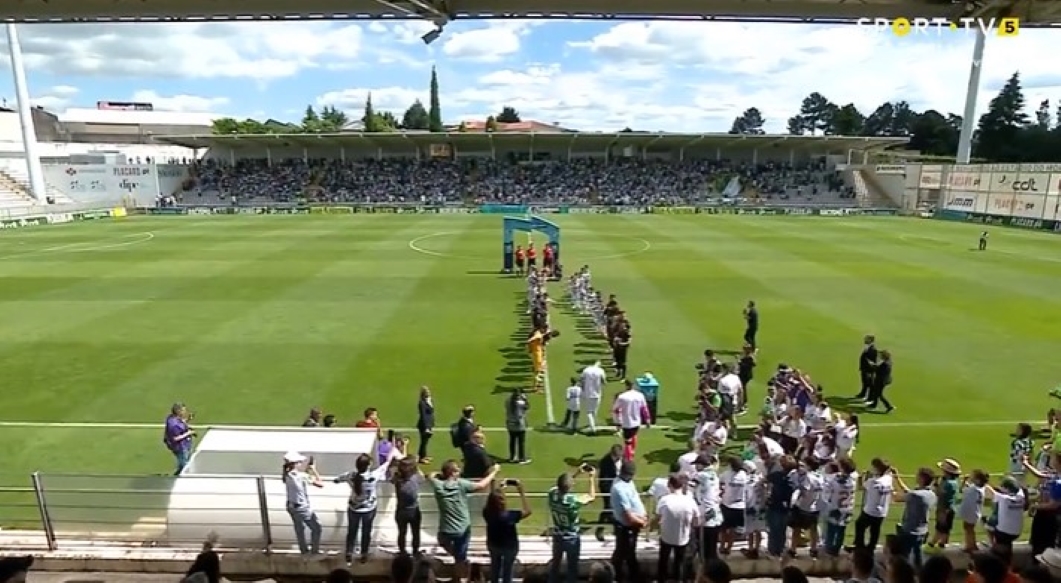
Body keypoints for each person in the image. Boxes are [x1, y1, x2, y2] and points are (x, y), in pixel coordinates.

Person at [430, 460, 499, 582]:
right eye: (457, 470)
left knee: (443, 542)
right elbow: (482, 485)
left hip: (446, 529)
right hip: (463, 528)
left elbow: (430, 476)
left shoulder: (437, 485)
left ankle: (457, 575)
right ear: (453, 472)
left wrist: (438, 475)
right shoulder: (461, 484)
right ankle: (459, 576)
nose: (460, 472)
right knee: (460, 557)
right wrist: (494, 472)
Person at [336, 447, 399, 564]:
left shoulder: (351, 476)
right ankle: (364, 554)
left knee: (352, 531)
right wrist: (391, 454)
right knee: (366, 532)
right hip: (368, 509)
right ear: (368, 465)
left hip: (354, 508)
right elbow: (385, 465)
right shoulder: (373, 476)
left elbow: (337, 479)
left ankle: (349, 553)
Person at [548, 465, 597, 583]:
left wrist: (575, 474)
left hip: (558, 535)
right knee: (572, 567)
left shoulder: (552, 494)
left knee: (555, 564)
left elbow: (562, 486)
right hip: (571, 537)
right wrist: (591, 478)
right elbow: (591, 496)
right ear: (570, 487)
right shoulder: (572, 501)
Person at [484, 480, 532, 583]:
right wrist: (521, 492)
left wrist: (500, 488)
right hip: (509, 547)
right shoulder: (510, 516)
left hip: (493, 545)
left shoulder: (487, 513)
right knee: (507, 572)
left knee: (495, 570)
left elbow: (494, 500)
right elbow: (528, 511)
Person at [654, 473, 698, 583]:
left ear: (669, 485)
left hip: (666, 537)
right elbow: (696, 520)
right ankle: (678, 580)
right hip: (683, 537)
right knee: (680, 562)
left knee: (663, 560)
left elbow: (657, 518)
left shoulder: (664, 500)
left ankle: (662, 580)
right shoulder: (689, 500)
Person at [891, 467, 937, 568]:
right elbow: (908, 492)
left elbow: (896, 498)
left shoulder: (916, 495)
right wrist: (897, 478)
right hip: (922, 531)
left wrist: (885, 486)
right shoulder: (932, 494)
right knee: (918, 557)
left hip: (909, 531)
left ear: (922, 479)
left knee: (903, 557)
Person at [610, 460, 647, 582]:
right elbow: (628, 515)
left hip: (631, 525)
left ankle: (626, 576)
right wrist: (642, 522)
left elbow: (634, 499)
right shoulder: (620, 489)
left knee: (625, 553)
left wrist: (642, 515)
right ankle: (621, 577)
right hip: (626, 527)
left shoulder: (627, 481)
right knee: (623, 554)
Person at [282, 451, 323, 555]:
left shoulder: (287, 475)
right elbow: (320, 484)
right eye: (300, 462)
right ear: (295, 463)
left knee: (299, 528)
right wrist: (314, 470)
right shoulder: (301, 476)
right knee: (317, 528)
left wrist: (307, 472)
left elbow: (301, 479)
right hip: (301, 507)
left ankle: (304, 551)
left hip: (291, 506)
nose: (301, 463)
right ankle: (314, 552)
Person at [852, 457, 894, 553]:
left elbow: (860, 487)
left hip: (870, 510)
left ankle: (859, 547)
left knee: (859, 525)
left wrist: (861, 477)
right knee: (875, 530)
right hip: (882, 511)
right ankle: (871, 548)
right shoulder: (888, 479)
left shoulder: (873, 482)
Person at [391, 458, 424, 557]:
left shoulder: (397, 479)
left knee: (402, 532)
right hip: (414, 510)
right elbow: (422, 477)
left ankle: (402, 551)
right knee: (415, 532)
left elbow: (391, 478)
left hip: (401, 510)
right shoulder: (416, 477)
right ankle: (415, 551)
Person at [612, 379, 650, 461]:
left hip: (627, 422)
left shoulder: (622, 396)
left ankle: (629, 459)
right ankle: (632, 451)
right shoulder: (640, 395)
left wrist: (617, 422)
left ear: (626, 386)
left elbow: (616, 410)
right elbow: (644, 408)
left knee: (627, 441)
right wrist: (647, 419)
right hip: (637, 421)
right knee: (634, 435)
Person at [594, 444, 623, 541]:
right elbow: (604, 480)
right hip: (607, 488)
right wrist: (610, 492)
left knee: (617, 508)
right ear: (612, 454)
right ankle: (600, 530)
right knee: (608, 509)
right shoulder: (605, 462)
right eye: (617, 457)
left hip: (618, 487)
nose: (618, 459)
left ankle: (615, 529)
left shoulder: (621, 460)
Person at [164, 402, 196, 475]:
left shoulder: (173, 418)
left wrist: (188, 419)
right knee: (184, 466)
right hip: (180, 447)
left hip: (185, 445)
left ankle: (177, 475)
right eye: (183, 410)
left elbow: (181, 424)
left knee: (184, 464)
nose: (185, 412)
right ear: (178, 411)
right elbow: (175, 438)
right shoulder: (173, 425)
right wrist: (189, 433)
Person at [505, 387, 531, 464]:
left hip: (510, 424)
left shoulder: (507, 401)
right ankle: (522, 458)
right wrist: (525, 399)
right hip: (520, 425)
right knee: (521, 442)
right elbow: (527, 407)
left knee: (512, 441)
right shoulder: (520, 403)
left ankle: (512, 457)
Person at [581, 361, 607, 434]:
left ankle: (592, 427)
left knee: (589, 412)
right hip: (597, 393)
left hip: (588, 393)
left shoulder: (586, 370)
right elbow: (604, 381)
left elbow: (582, 380)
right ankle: (593, 425)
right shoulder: (601, 371)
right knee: (594, 411)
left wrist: (582, 388)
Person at [855, 335, 878, 402]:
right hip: (864, 368)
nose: (865, 340)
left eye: (867, 339)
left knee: (870, 384)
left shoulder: (873, 349)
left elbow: (872, 361)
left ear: (871, 340)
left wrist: (871, 372)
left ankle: (870, 398)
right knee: (864, 382)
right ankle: (863, 394)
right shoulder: (867, 347)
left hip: (868, 370)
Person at [416, 386, 435, 464]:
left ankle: (424, 455)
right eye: (427, 392)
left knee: (425, 442)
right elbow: (423, 415)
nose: (429, 393)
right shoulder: (422, 403)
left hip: (428, 425)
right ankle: (421, 458)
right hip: (424, 426)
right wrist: (426, 427)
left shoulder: (428, 401)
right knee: (423, 442)